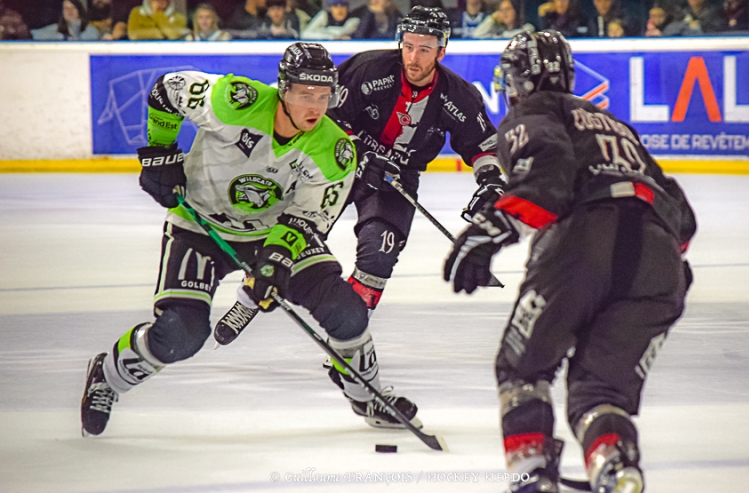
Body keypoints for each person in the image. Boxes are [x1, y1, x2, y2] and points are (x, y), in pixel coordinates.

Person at [80, 42, 421, 437]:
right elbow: (167, 89)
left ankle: (367, 393)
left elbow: (307, 217)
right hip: (200, 225)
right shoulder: (235, 100)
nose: (315, 106)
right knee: (181, 334)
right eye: (305, 94)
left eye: (323, 96)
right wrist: (159, 152)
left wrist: (274, 260)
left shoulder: (335, 149)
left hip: (272, 231)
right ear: (283, 89)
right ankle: (109, 375)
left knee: (347, 311)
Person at [443, 30, 696, 493]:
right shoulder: (614, 124)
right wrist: (666, 270)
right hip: (660, 261)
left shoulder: (533, 111)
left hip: (584, 242)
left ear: (518, 80)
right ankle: (615, 467)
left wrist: (490, 230)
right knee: (600, 392)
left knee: (522, 370)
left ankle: (532, 476)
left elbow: (548, 174)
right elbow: (681, 216)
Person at [214, 7, 502, 355]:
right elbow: (326, 114)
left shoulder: (459, 95)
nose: (413, 56)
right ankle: (250, 297)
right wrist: (360, 150)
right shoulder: (369, 69)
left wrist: (491, 182)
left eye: (425, 49)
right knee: (298, 231)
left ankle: (348, 334)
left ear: (442, 51)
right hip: (339, 164)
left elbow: (483, 145)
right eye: (408, 45)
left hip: (397, 178)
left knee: (380, 255)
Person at [31, 0, 101, 40]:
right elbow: (33, 34)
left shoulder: (91, 30)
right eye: (66, 8)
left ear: (79, 11)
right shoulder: (54, 29)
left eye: (73, 8)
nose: (70, 11)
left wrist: (75, 25)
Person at [662, 0, 726, 35]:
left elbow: (716, 32)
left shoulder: (715, 13)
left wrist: (698, 26)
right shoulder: (681, 14)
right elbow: (670, 31)